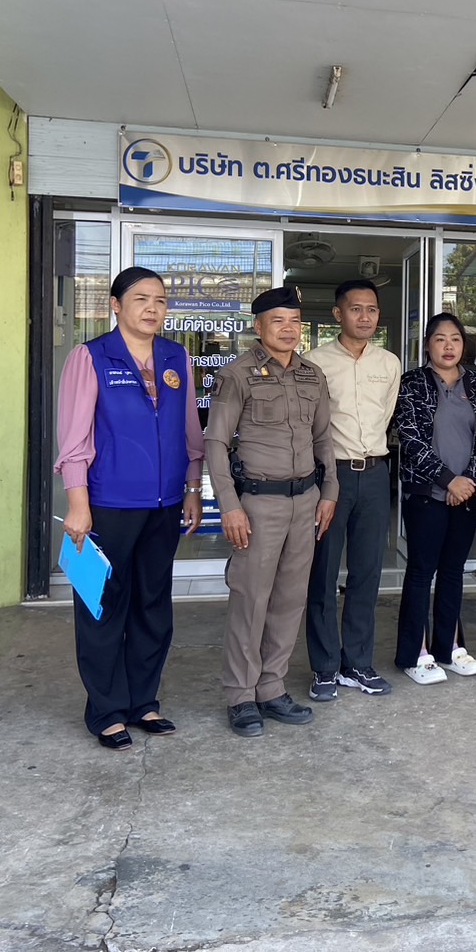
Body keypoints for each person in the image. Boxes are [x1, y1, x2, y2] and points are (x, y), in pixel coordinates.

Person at [55, 266, 203, 751]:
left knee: (153, 605)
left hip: (164, 504)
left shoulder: (176, 356)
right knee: (102, 606)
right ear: (116, 305)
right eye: (141, 299)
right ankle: (107, 711)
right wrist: (78, 505)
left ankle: (143, 702)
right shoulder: (92, 357)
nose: (152, 308)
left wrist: (192, 488)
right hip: (107, 504)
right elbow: (74, 439)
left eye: (160, 300)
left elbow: (190, 432)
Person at [204, 284, 338, 737]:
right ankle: (241, 695)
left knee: (289, 599)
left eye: (294, 321)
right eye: (277, 321)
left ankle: (271, 687)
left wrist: (329, 491)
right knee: (251, 600)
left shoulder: (312, 375)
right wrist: (229, 506)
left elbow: (324, 439)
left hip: (305, 501)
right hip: (258, 504)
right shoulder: (237, 374)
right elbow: (216, 443)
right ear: (258, 327)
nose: (288, 329)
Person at [303, 279, 402, 701]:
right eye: (356, 309)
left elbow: (387, 415)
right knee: (322, 573)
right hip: (331, 476)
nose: (365, 317)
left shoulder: (389, 363)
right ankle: (325, 667)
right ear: (338, 314)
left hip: (376, 473)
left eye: (372, 310)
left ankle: (357, 664)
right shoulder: (314, 363)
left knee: (367, 573)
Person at [393, 312, 476, 684]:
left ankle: (449, 649)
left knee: (453, 571)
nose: (448, 346)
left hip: (467, 494)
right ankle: (415, 654)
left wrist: (467, 482)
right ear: (427, 345)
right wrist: (448, 480)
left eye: (455, 339)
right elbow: (410, 437)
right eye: (440, 339)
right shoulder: (411, 383)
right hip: (426, 494)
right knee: (421, 572)